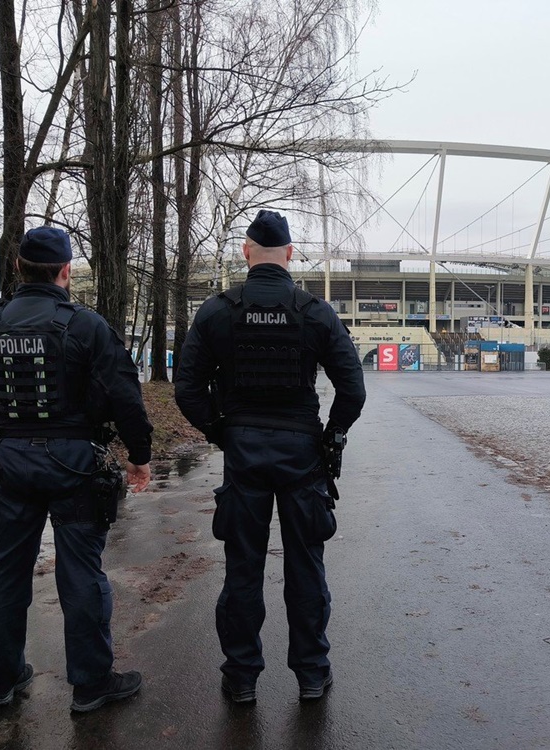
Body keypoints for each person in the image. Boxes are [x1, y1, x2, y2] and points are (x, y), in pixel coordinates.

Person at [0, 226, 153, 713]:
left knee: (5, 570)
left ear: (19, 268)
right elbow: (125, 395)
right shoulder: (86, 326)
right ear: (66, 271)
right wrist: (139, 456)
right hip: (74, 463)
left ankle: (1, 682)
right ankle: (91, 683)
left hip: (9, 463)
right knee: (81, 573)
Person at [174, 209, 366, 703]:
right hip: (302, 453)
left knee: (243, 567)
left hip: (244, 452)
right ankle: (311, 674)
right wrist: (332, 436)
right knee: (306, 565)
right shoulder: (314, 312)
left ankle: (241, 677)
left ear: (246, 253)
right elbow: (353, 389)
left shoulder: (217, 311)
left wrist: (221, 432)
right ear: (290, 254)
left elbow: (188, 389)